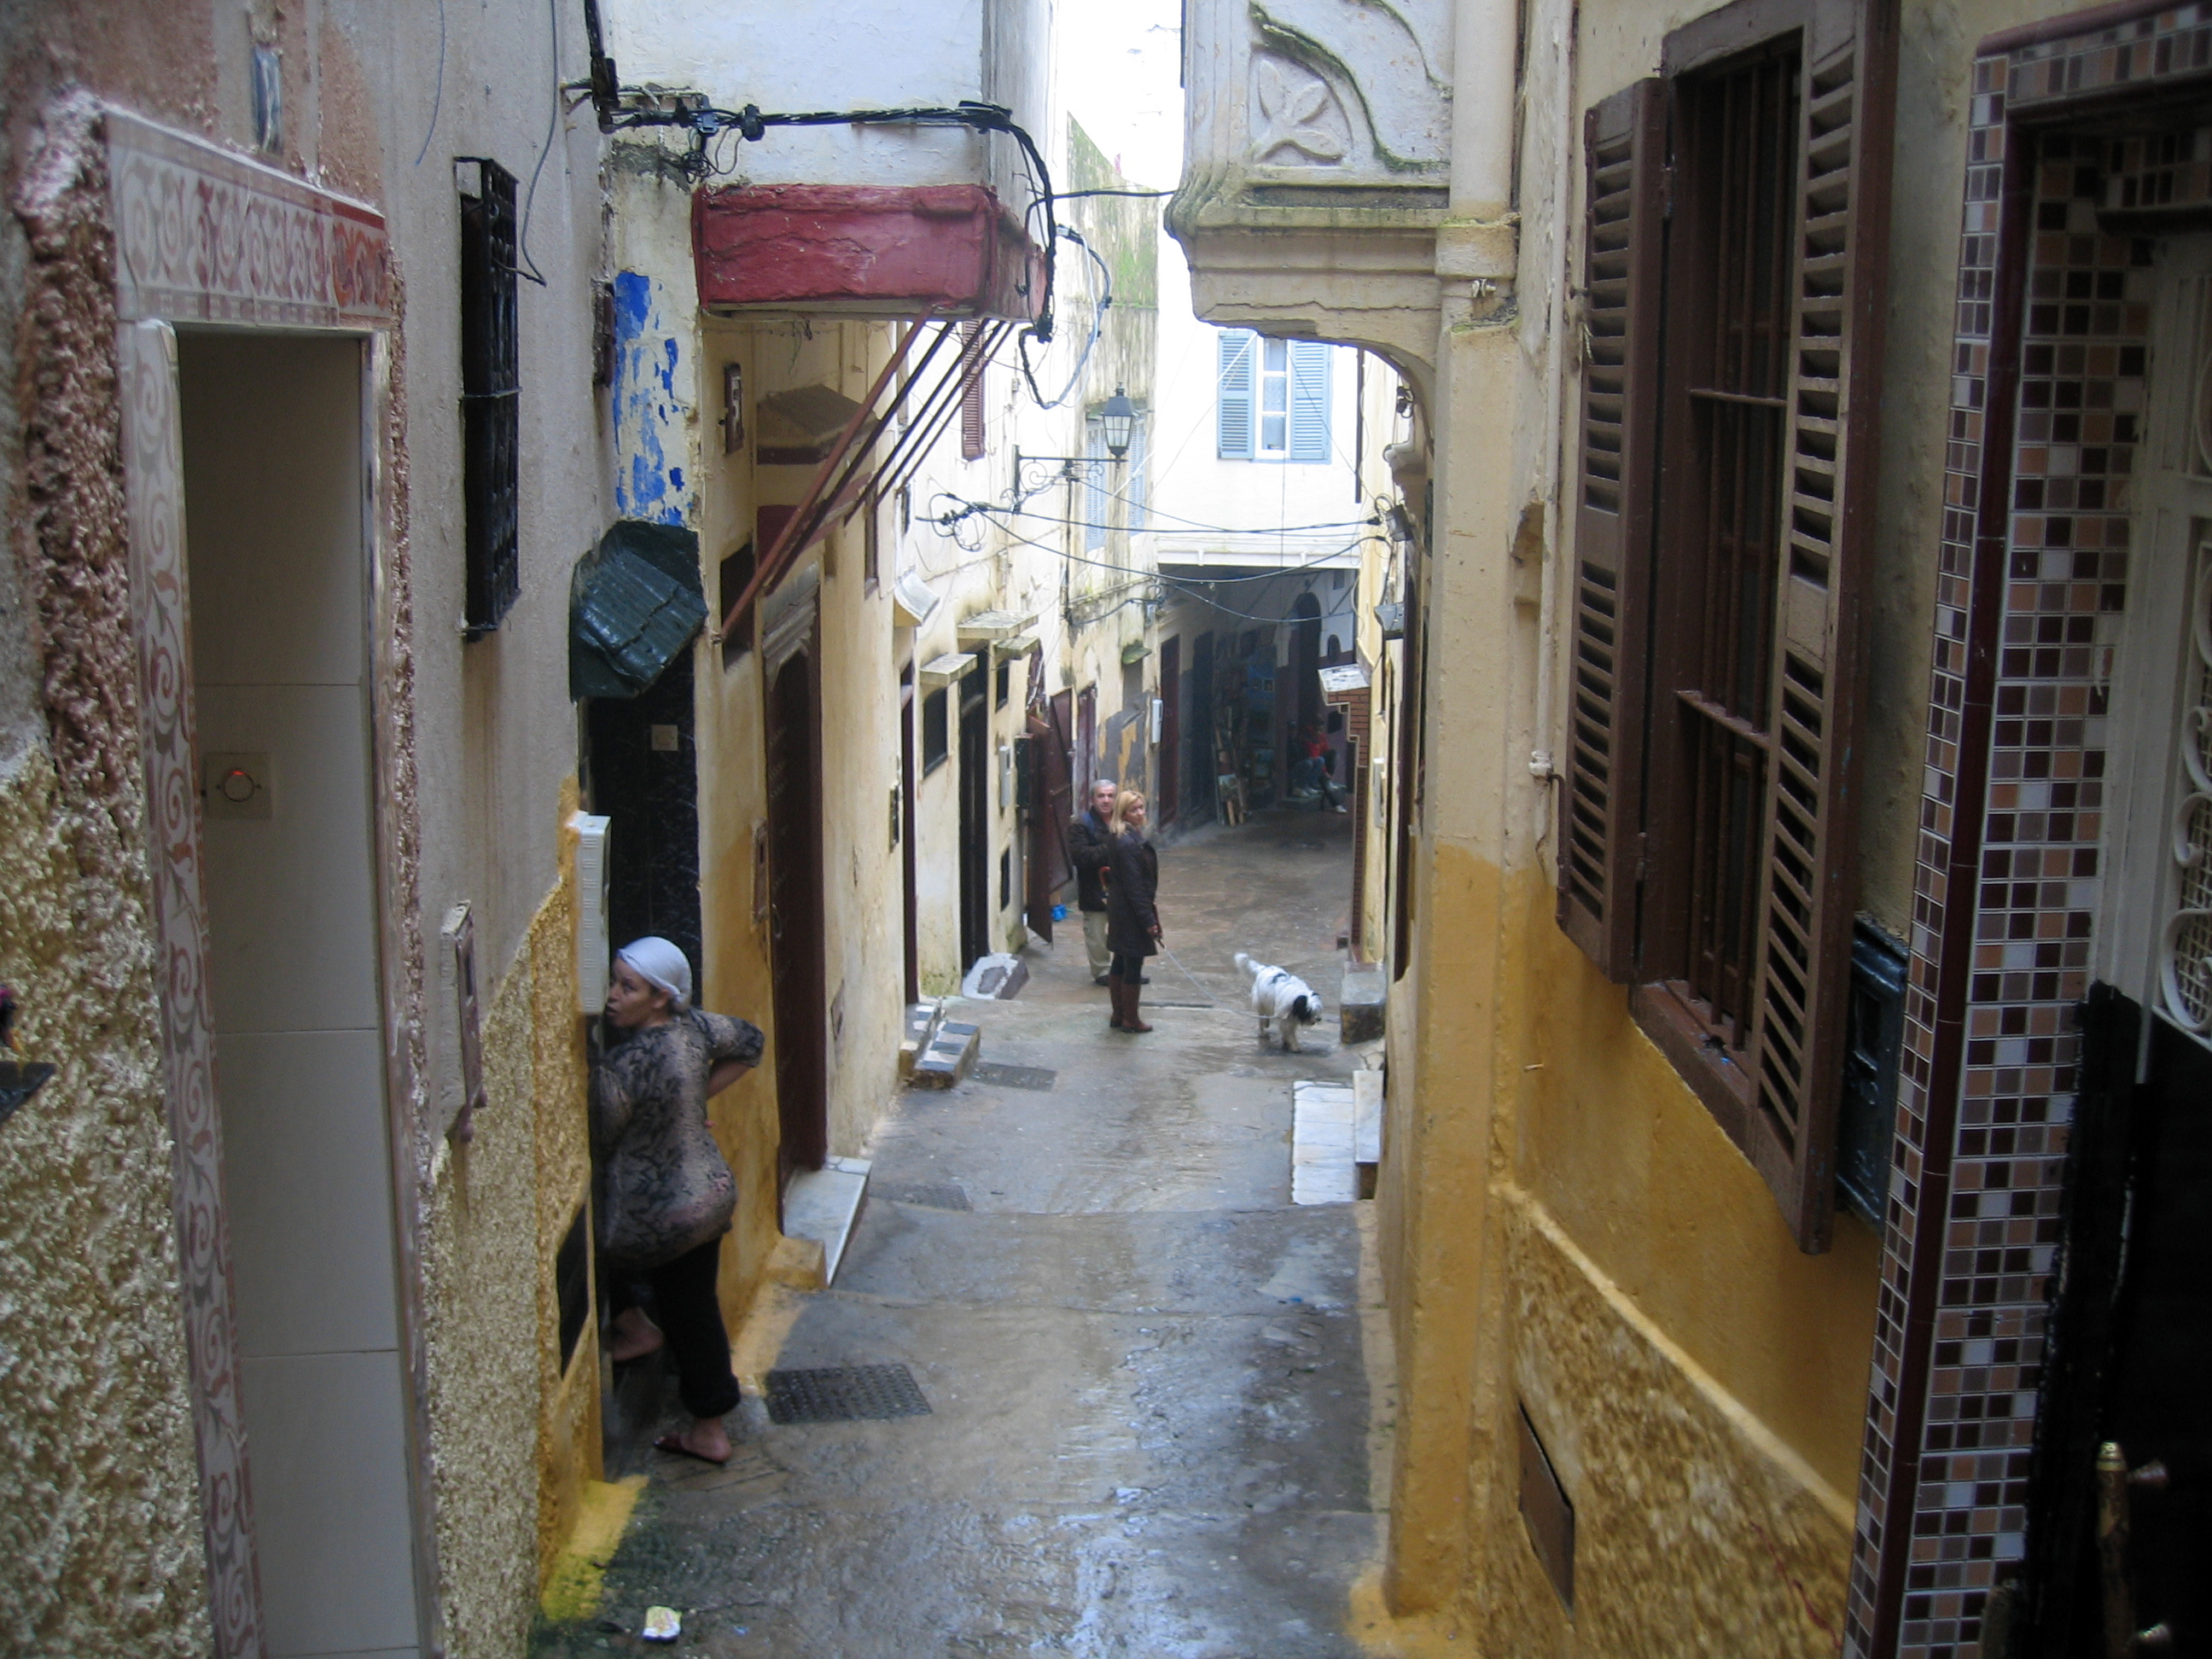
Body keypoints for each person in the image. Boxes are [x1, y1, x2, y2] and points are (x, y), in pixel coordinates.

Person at [591, 936, 763, 1464]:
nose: (613, 996)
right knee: (695, 1310)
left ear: (661, 996)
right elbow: (751, 1042)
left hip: (661, 1218)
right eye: (614, 983)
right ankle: (706, 1419)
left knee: (595, 1251)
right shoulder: (695, 1029)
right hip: (709, 1196)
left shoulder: (622, 1068)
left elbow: (601, 1137)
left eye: (628, 987)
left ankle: (637, 1330)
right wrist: (693, 1095)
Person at [1103, 788, 1161, 1033]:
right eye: (1134, 809)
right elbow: (1135, 886)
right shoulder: (1128, 843)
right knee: (1133, 963)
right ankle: (1130, 1018)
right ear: (1124, 813)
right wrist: (1149, 921)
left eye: (1142, 808)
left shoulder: (1122, 837)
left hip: (1121, 909)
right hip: (1130, 913)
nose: (1140, 813)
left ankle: (1118, 1014)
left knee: (1120, 960)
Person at [1068, 777, 1117, 985]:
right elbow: (1082, 858)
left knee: (1126, 932)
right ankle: (1102, 972)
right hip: (1094, 889)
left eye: (1110, 796)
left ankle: (1124, 969)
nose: (1106, 800)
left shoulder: (1124, 820)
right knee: (1096, 934)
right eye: (1101, 796)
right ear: (1093, 799)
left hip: (1122, 887)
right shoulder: (1081, 824)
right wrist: (1113, 844)